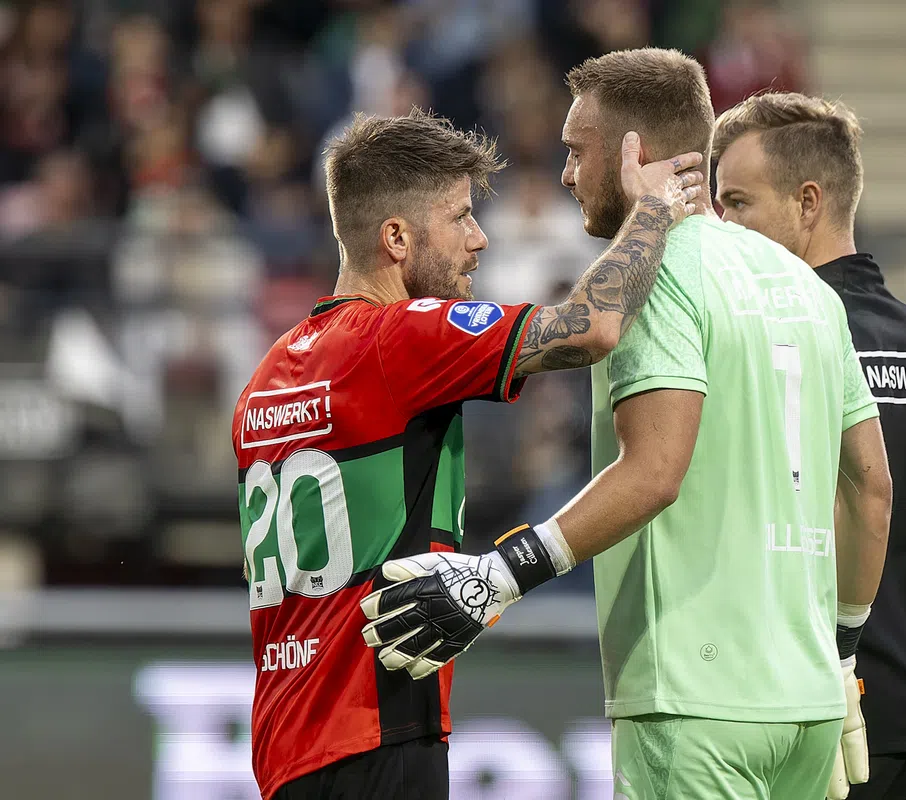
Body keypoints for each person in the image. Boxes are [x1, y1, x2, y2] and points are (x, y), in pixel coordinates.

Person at [360, 49, 894, 800]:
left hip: (696, 701)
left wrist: (502, 574)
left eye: (577, 152)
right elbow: (871, 489)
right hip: (808, 705)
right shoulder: (804, 284)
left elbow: (654, 472)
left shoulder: (652, 272)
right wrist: (841, 653)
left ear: (632, 154)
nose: (566, 174)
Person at [231, 108, 705, 800]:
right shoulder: (396, 340)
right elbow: (593, 327)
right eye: (460, 217)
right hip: (378, 728)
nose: (480, 239)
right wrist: (653, 212)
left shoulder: (265, 380)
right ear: (397, 238)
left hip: (285, 747)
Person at [711, 91, 906, 800]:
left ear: (808, 203)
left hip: (816, 725)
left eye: (738, 203)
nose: (723, 225)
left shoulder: (776, 346)